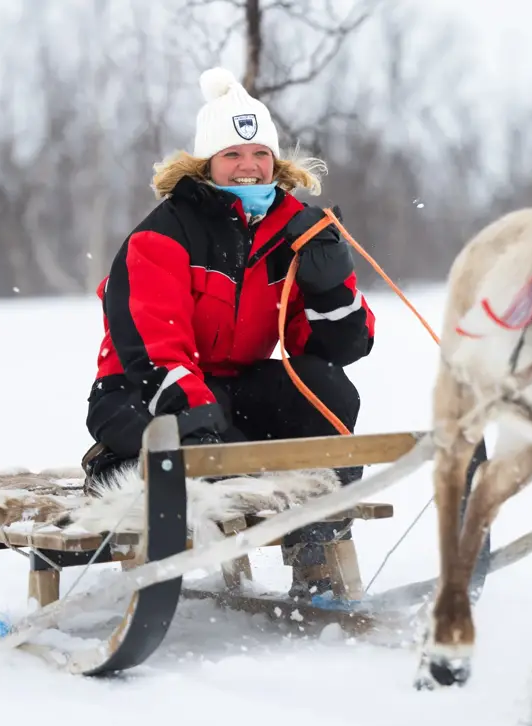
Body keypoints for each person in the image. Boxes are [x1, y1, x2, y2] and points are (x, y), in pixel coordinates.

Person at [80, 67, 376, 599]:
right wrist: (202, 426)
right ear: (207, 164)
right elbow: (154, 347)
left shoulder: (292, 229)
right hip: (138, 389)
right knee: (208, 443)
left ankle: (315, 558)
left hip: (231, 389)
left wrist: (331, 287)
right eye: (233, 155)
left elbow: (339, 350)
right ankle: (114, 464)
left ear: (275, 162)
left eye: (260, 153)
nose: (249, 166)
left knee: (328, 393)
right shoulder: (163, 235)